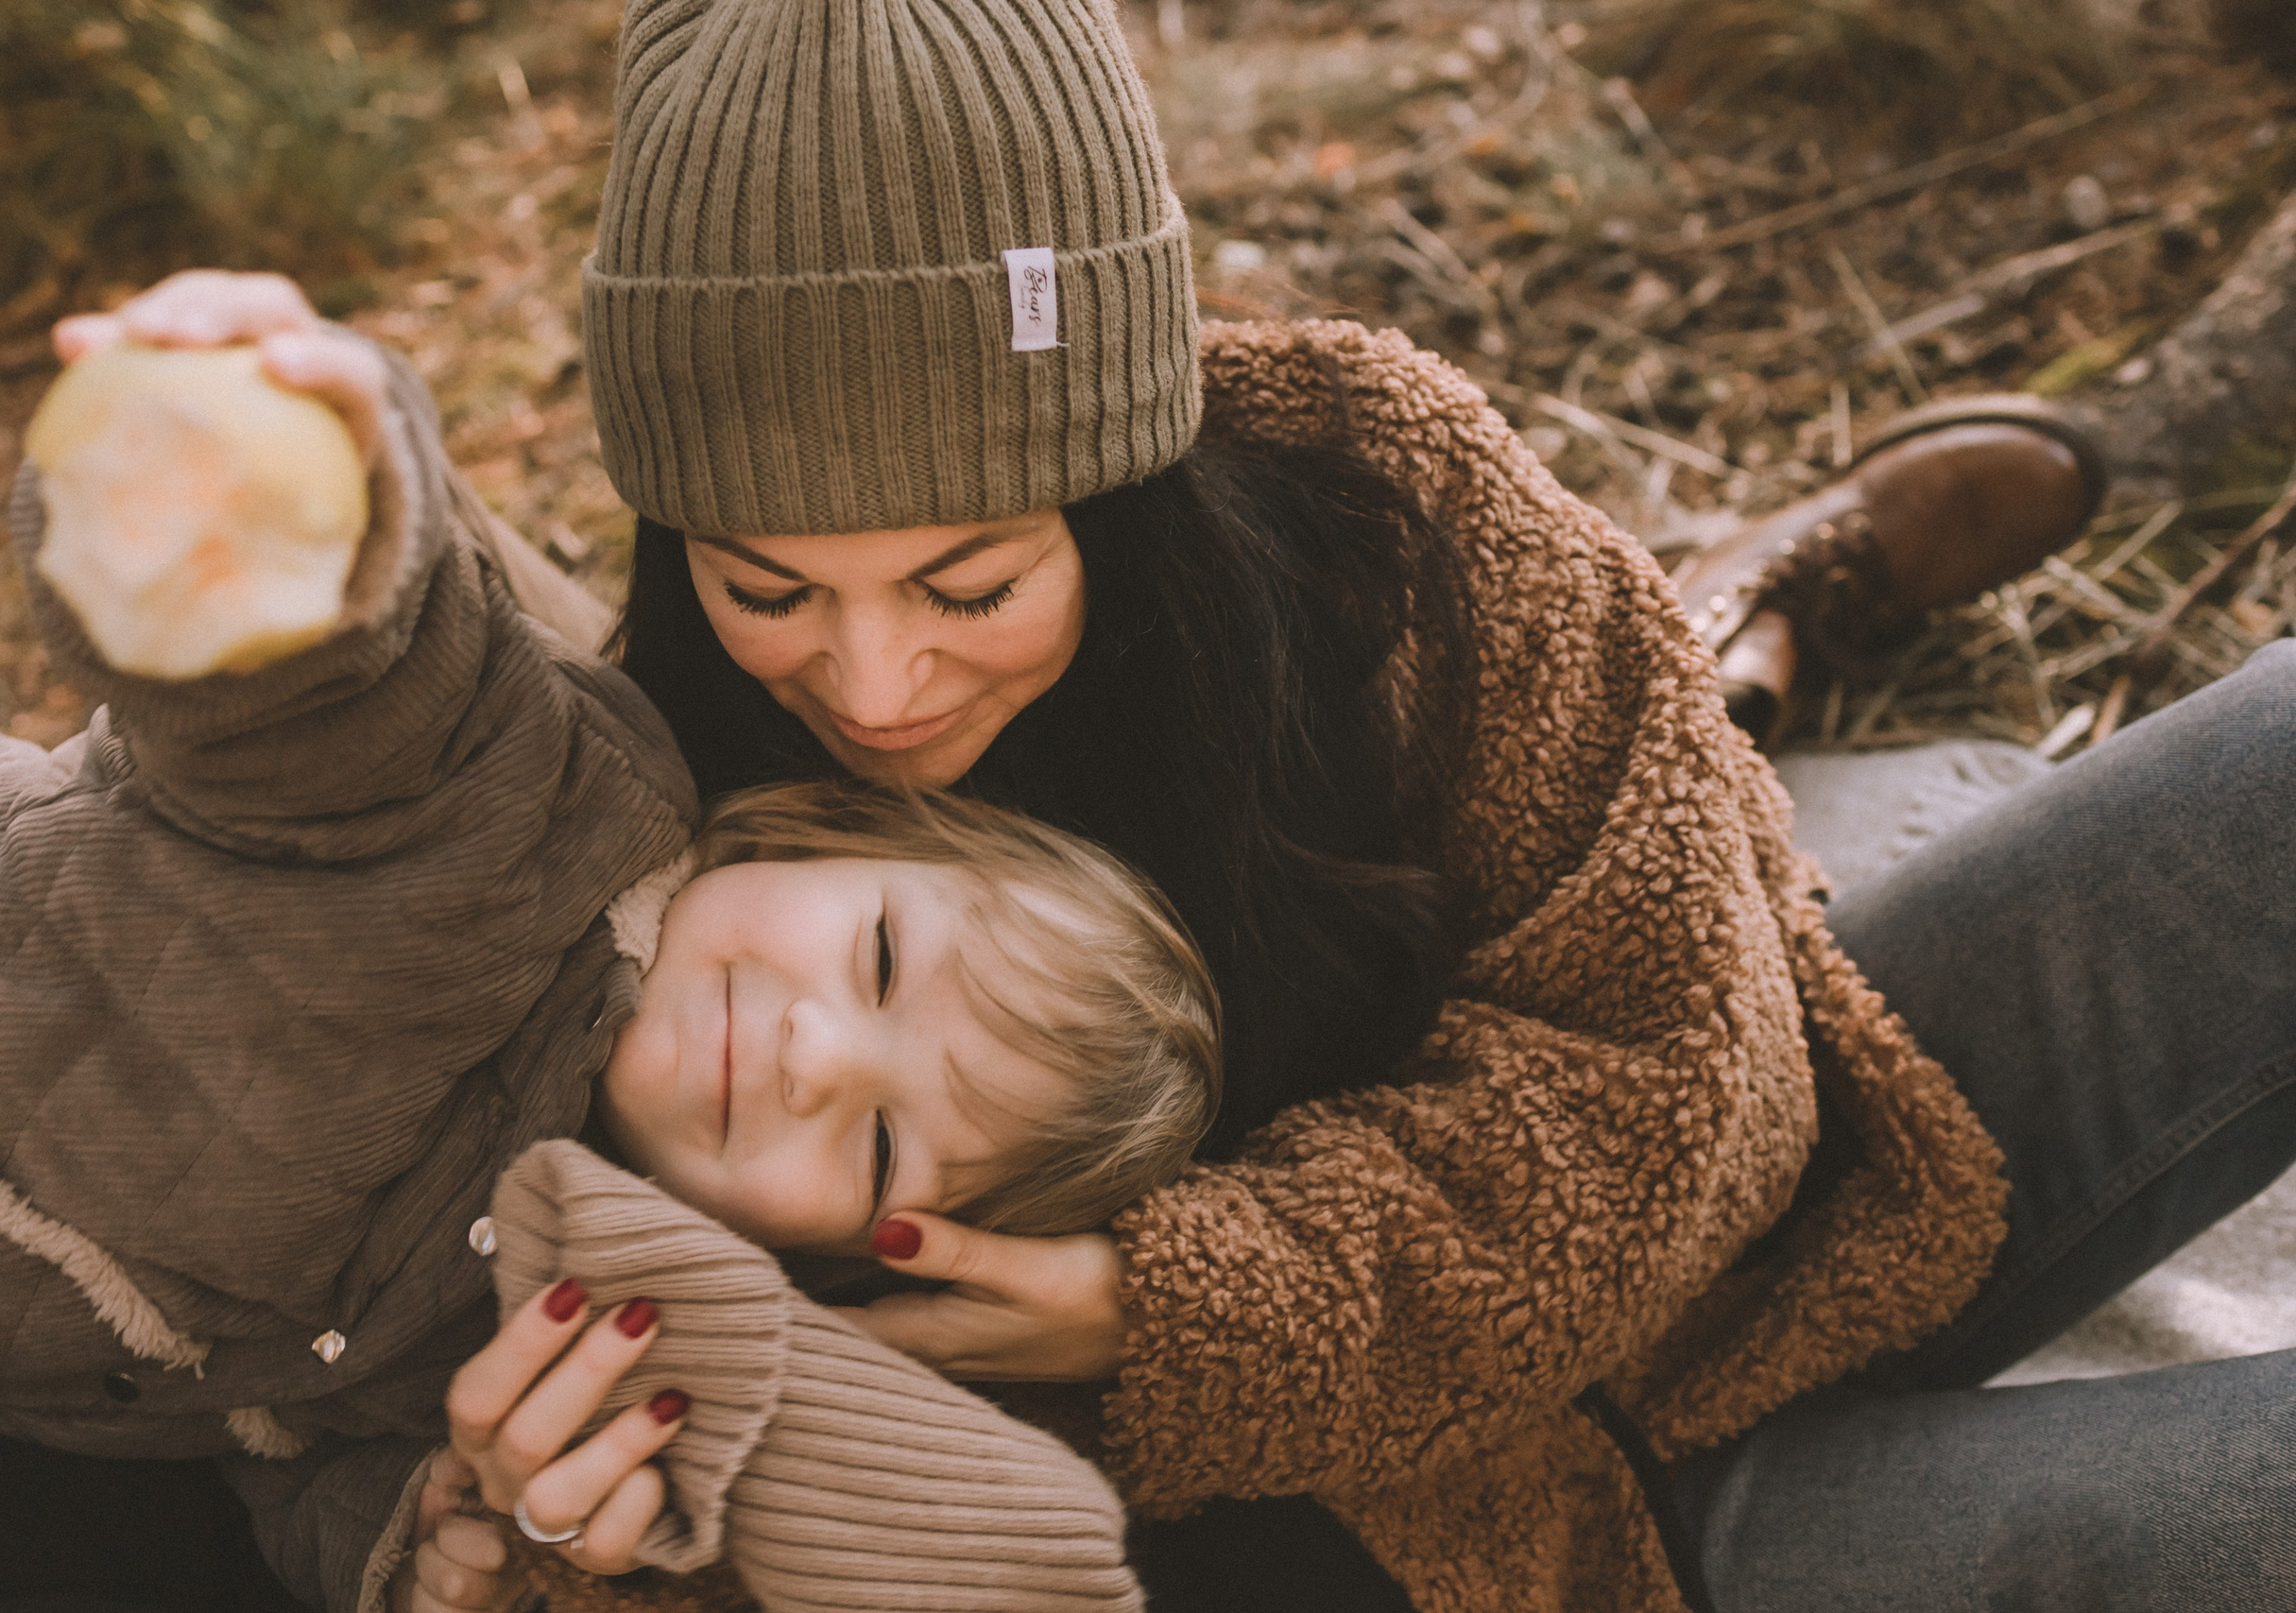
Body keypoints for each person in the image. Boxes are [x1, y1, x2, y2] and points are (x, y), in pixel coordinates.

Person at [453, 0, 2286, 1607]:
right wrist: (540, 1520)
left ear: (1118, 468)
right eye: (764, 585)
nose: (866, 688)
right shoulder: (624, 818)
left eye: (967, 582)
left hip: (1788, 1227)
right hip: (1542, 1562)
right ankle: (1770, 609)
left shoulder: (1368, 507)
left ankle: (1762, 609)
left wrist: (1170, 1308)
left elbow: (1682, 1068)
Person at [0, 295, 1225, 1613]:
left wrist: (411, 1535)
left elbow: (287, 1441)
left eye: (880, 1146)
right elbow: (370, 689)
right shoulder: (534, 803)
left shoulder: (567, 1301)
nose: (816, 1056)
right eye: (878, 959)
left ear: (851, 1252)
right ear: (815, 837)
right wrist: (313, 492)